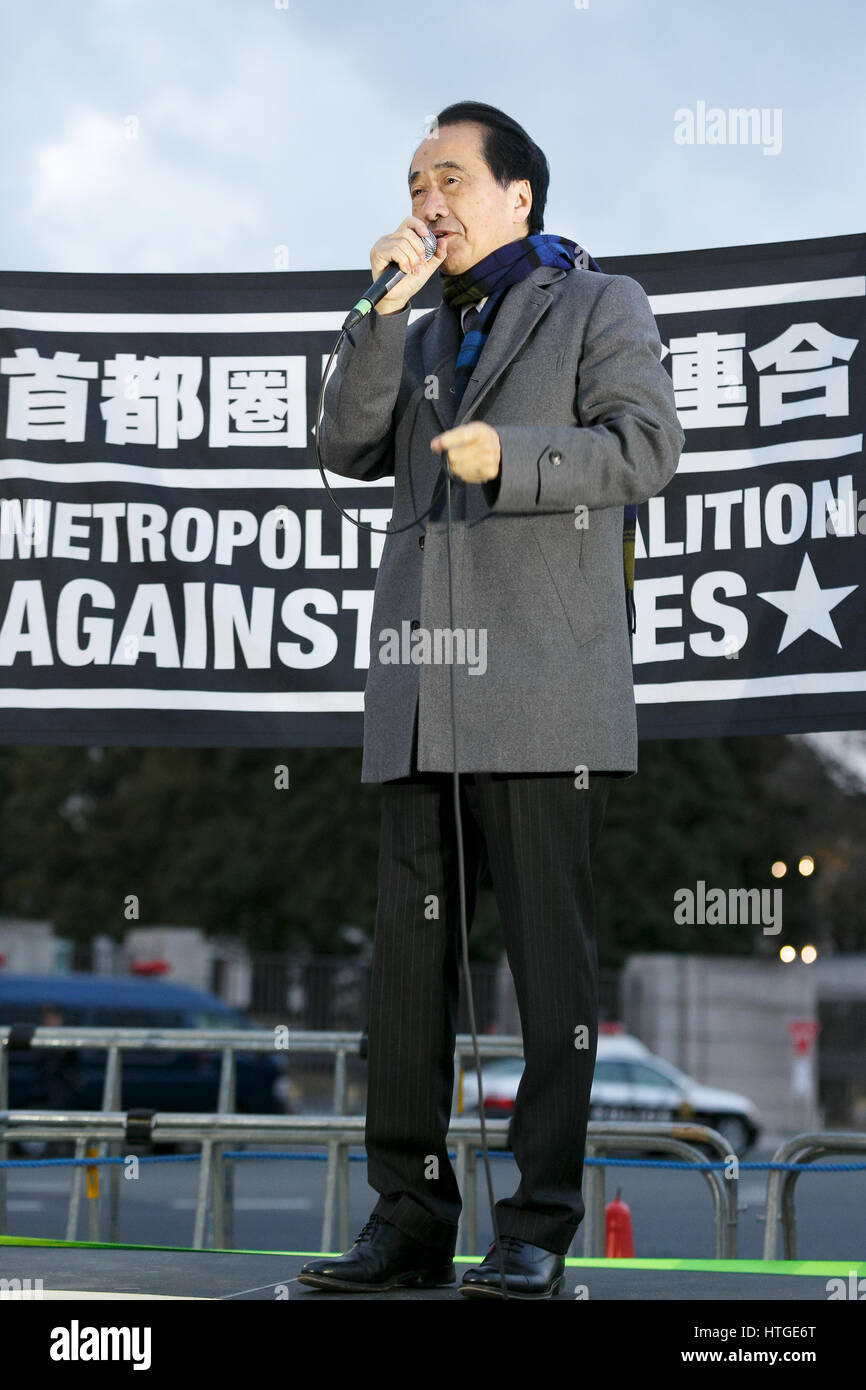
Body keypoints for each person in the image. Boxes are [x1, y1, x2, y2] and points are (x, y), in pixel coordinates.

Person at [300, 101, 685, 1298]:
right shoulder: (408, 327)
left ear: (519, 195)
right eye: (416, 179)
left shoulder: (597, 303)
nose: (427, 199)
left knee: (547, 975)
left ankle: (537, 1220)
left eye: (451, 177)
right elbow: (341, 446)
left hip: (543, 689)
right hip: (420, 687)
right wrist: (376, 311)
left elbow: (645, 449)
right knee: (406, 975)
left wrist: (513, 457)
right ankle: (406, 1218)